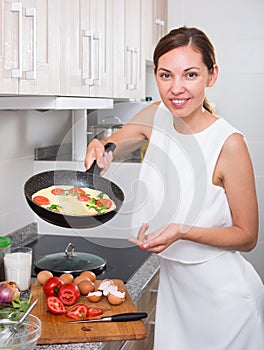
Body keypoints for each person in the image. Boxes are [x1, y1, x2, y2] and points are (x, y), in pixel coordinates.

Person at [85, 26, 264, 349]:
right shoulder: (156, 116)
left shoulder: (229, 143)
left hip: (224, 302)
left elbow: (247, 236)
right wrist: (101, 147)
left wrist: (182, 230)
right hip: (175, 293)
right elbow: (114, 145)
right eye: (166, 75)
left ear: (212, 76)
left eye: (190, 74)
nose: (176, 88)